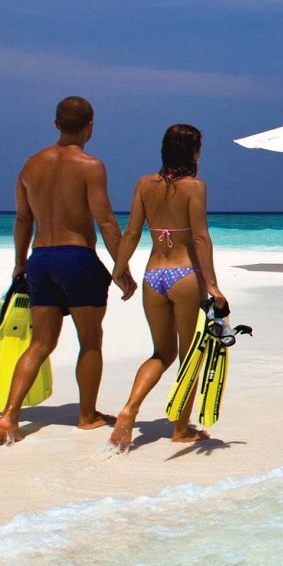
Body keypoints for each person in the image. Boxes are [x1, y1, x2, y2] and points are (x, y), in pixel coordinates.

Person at [0, 96, 132, 446]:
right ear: (90, 126)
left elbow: (23, 219)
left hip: (41, 258)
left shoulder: (30, 165)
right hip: (77, 258)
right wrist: (121, 268)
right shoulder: (90, 165)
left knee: (41, 343)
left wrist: (19, 262)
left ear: (55, 124)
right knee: (90, 341)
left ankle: (10, 415)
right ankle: (86, 415)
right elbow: (104, 220)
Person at [109, 123, 228, 451]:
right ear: (195, 152)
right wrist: (214, 286)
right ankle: (180, 429)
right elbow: (201, 236)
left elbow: (131, 232)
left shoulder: (144, 184)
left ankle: (129, 409)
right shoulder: (195, 187)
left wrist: (118, 271)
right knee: (189, 356)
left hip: (153, 277)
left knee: (161, 353)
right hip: (185, 275)